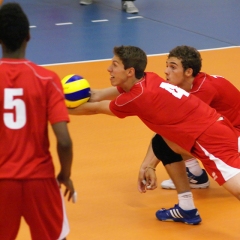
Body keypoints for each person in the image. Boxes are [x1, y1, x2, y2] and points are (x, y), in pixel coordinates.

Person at [68, 45, 240, 225]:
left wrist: (52, 108)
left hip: (208, 138)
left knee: (237, 188)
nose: (109, 68)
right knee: (162, 145)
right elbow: (97, 95)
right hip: (210, 130)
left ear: (130, 71)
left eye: (115, 64)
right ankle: (187, 209)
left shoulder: (138, 96)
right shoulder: (147, 78)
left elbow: (95, 108)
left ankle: (195, 180)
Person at [0, 3, 75, 240]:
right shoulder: (47, 79)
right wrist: (65, 173)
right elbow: (63, 141)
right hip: (39, 180)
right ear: (28, 36)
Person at [142, 45, 240, 190]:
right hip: (230, 132)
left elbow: (168, 127)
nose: (166, 71)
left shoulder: (202, 91)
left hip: (235, 138)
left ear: (188, 71)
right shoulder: (195, 83)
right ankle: (195, 175)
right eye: (167, 65)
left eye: (173, 67)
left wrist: (148, 165)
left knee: (174, 134)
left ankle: (195, 176)